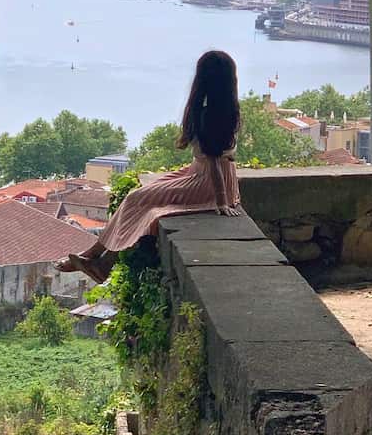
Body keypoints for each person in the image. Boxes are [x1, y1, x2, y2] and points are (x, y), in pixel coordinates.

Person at [57, 50, 243, 282]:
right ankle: (100, 260)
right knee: (142, 198)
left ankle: (96, 257)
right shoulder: (226, 111)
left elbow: (214, 160)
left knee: (139, 199)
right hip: (206, 174)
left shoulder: (209, 114)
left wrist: (221, 201)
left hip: (207, 182)